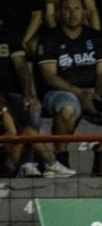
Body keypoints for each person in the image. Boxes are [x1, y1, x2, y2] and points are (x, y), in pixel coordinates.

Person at [37, 0, 102, 176]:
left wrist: (97, 94)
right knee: (68, 108)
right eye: (67, 9)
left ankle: (101, 154)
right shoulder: (50, 38)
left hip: (93, 88)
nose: (72, 13)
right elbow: (49, 76)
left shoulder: (95, 37)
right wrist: (80, 94)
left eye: (77, 8)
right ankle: (61, 159)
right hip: (60, 91)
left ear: (85, 12)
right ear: (59, 13)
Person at [0, 25, 75, 178]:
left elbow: (12, 132)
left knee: (28, 131)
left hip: (6, 160)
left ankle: (47, 164)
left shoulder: (1, 106)